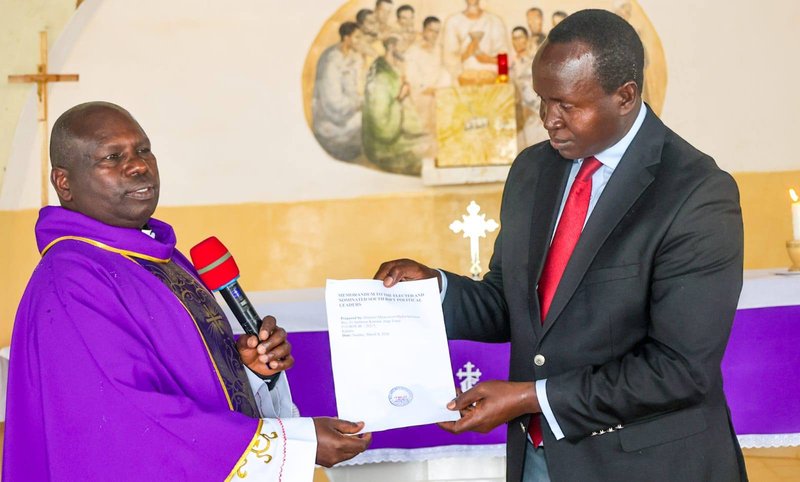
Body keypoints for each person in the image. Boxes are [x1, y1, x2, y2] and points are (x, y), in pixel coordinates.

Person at [376, 9, 746, 482]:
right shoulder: (534, 170)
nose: (549, 121)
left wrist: (531, 396)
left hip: (646, 463)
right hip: (540, 457)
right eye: (542, 101)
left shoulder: (695, 192)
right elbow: (512, 304)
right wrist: (435, 290)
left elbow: (679, 370)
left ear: (625, 96)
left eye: (567, 105)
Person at [4, 102, 371, 481]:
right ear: (64, 183)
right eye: (113, 157)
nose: (138, 166)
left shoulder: (159, 257)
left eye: (143, 150)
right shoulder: (72, 280)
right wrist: (292, 443)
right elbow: (130, 421)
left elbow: (181, 375)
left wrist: (246, 369)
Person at [362, 36, 430, 175]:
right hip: (383, 146)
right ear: (392, 47)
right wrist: (400, 97)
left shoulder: (394, 70)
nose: (407, 50)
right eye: (403, 45)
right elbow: (380, 124)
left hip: (399, 131)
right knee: (430, 153)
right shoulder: (380, 77)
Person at [312, 21, 365, 162]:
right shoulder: (331, 61)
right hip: (333, 119)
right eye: (357, 37)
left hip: (349, 109)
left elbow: (356, 87)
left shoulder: (354, 56)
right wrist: (359, 103)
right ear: (347, 38)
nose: (360, 41)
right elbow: (333, 102)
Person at [404, 16, 451, 137]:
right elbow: (412, 78)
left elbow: (444, 71)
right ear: (424, 30)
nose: (434, 35)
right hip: (420, 96)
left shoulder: (439, 49)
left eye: (437, 31)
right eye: (431, 30)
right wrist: (429, 90)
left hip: (438, 93)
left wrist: (440, 87)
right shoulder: (413, 51)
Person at [442, 0, 509, 85]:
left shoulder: (494, 21)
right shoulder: (453, 22)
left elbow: (504, 59)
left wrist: (487, 59)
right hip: (462, 82)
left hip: (491, 81)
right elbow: (448, 58)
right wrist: (466, 53)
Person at [509, 26, 547, 150]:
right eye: (514, 38)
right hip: (524, 118)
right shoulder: (514, 65)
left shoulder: (540, 65)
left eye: (520, 37)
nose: (517, 42)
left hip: (537, 118)